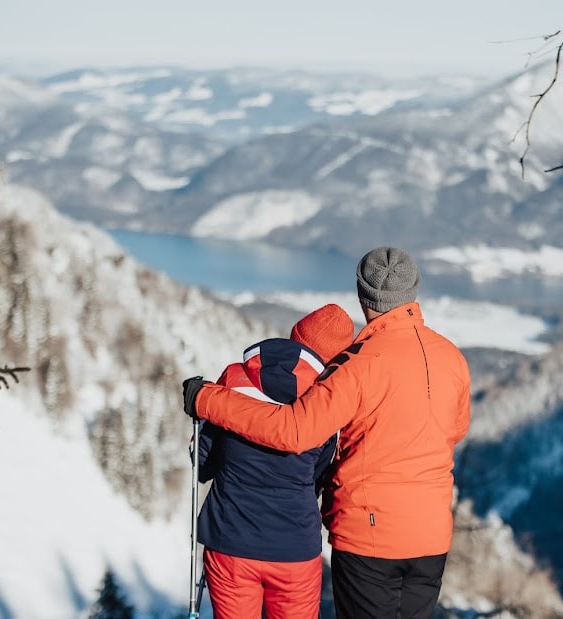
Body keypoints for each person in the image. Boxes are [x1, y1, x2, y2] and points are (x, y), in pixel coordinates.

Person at [183, 247, 471, 619]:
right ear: (414, 290)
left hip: (367, 536)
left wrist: (206, 398)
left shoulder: (358, 365)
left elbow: (294, 431)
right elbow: (455, 430)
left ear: (363, 295)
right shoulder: (452, 358)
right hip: (430, 537)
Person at [196, 303, 355, 619]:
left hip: (229, 542)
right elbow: (319, 478)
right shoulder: (328, 405)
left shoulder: (234, 380)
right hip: (295, 550)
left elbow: (202, 460)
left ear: (296, 337)